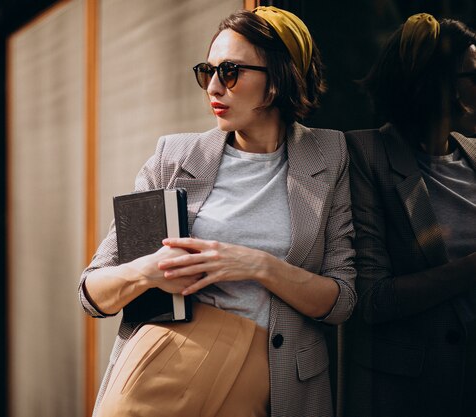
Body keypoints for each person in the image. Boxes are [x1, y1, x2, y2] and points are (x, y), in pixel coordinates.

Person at [79, 7, 356, 417]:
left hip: (274, 384)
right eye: (206, 72)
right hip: (164, 372)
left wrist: (259, 266)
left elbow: (341, 300)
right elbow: (92, 294)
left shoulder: (329, 156)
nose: (213, 87)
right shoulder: (172, 159)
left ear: (277, 79)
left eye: (229, 72)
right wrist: (147, 271)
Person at [344, 13, 476, 417]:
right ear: (437, 87)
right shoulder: (367, 156)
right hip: (415, 392)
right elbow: (372, 299)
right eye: (474, 74)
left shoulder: (474, 153)